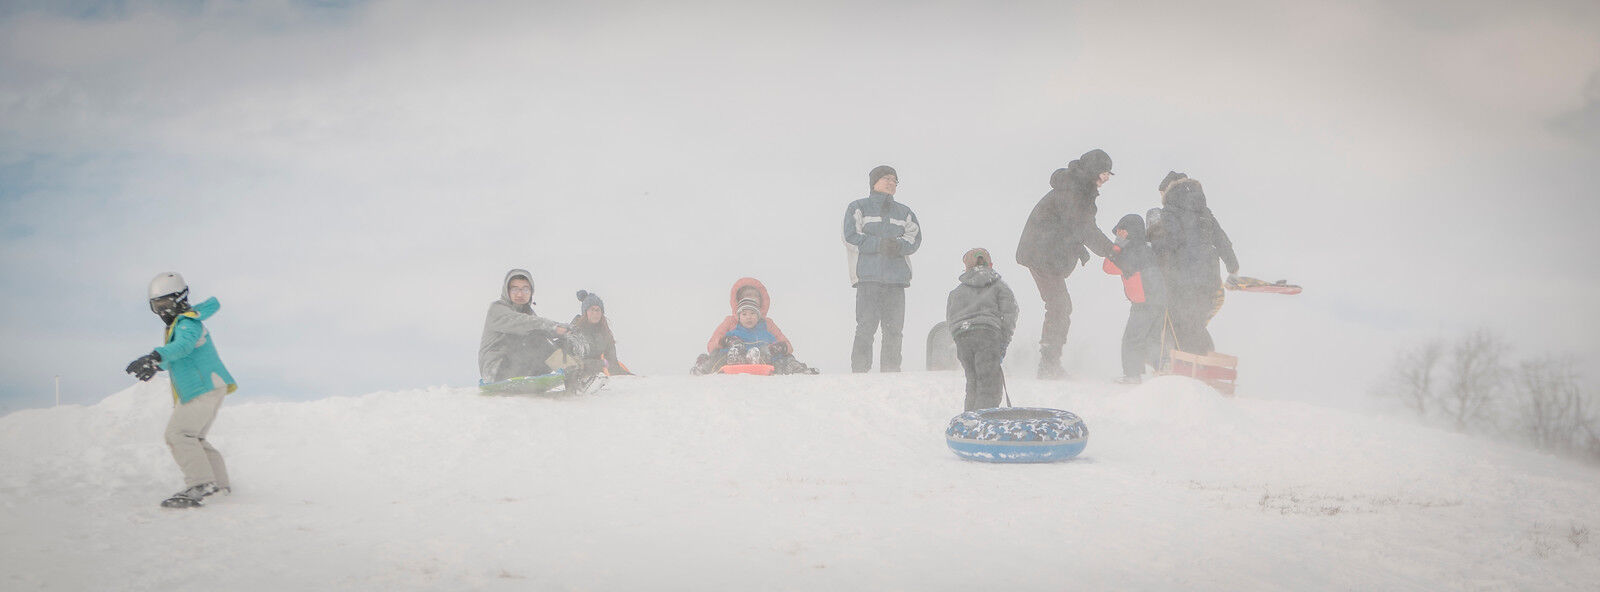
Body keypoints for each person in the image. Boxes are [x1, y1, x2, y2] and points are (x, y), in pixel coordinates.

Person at [124, 272, 237, 508]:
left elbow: (182, 347)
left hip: (203, 387)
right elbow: (178, 354)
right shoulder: (182, 323)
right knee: (194, 437)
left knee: (178, 435)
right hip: (208, 386)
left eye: (166, 304)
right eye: (157, 306)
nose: (163, 311)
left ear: (180, 299)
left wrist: (155, 356)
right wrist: (158, 363)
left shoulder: (188, 322)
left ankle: (201, 485)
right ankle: (219, 485)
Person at [1014, 149, 1116, 379]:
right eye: (1104, 172)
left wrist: (1079, 248)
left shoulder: (1077, 188)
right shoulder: (1074, 191)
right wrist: (1111, 251)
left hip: (1044, 253)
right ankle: (1049, 365)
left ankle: (1050, 362)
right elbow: (1084, 228)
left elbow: (1071, 225)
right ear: (1092, 171)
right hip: (1041, 255)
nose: (1107, 178)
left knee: (1059, 306)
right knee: (1060, 306)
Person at [1147, 174, 1239, 355]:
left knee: (1181, 323)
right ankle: (1206, 360)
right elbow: (1222, 240)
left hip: (1183, 278)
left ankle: (1191, 367)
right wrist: (1233, 268)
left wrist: (1152, 245)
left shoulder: (1169, 211)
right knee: (1195, 321)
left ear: (1167, 191)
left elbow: (1173, 240)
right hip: (1209, 278)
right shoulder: (1205, 212)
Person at [842, 165, 922, 373]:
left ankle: (891, 372)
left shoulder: (905, 212)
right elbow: (850, 237)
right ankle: (860, 373)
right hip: (868, 278)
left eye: (895, 180)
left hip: (896, 280)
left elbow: (914, 239)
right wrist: (879, 244)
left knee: (894, 330)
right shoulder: (857, 207)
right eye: (887, 178)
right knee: (866, 327)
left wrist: (898, 246)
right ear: (874, 182)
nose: (891, 182)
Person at [478, 269, 598, 392]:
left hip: (521, 365)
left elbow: (544, 337)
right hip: (497, 371)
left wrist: (566, 334)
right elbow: (524, 323)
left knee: (562, 342)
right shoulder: (497, 309)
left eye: (525, 290)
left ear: (531, 292)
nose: (520, 294)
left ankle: (577, 377)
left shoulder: (528, 313)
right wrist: (556, 327)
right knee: (536, 338)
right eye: (515, 289)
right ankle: (575, 378)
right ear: (506, 291)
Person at [693, 277, 818, 375]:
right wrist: (726, 340)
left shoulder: (767, 324)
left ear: (760, 301)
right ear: (739, 300)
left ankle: (798, 369)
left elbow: (787, 346)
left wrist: (779, 348)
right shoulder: (730, 322)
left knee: (785, 359)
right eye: (746, 297)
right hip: (735, 356)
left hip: (762, 358)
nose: (749, 316)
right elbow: (712, 345)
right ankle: (704, 367)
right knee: (718, 357)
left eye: (754, 297)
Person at [945, 248, 1019, 411]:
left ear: (967, 267)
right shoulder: (999, 287)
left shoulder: (956, 292)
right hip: (987, 335)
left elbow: (950, 319)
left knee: (973, 382)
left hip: (963, 337)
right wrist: (1003, 341)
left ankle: (969, 421)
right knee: (989, 383)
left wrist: (959, 337)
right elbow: (1010, 313)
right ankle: (984, 423)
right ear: (990, 264)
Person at [1103, 214, 1169, 384]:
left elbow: (1108, 267)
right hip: (1160, 301)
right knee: (1153, 339)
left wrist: (1117, 245)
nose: (1118, 234)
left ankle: (1132, 376)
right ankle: (1165, 370)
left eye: (1121, 231)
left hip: (1143, 302)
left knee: (1132, 339)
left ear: (1129, 231)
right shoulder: (1147, 249)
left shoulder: (1129, 252)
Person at [568, 290, 633, 387]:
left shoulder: (605, 334)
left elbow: (612, 364)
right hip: (573, 373)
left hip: (596, 375)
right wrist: (599, 364)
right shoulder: (575, 330)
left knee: (602, 365)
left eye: (598, 310)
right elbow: (569, 358)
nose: (595, 313)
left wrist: (631, 377)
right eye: (592, 310)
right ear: (585, 312)